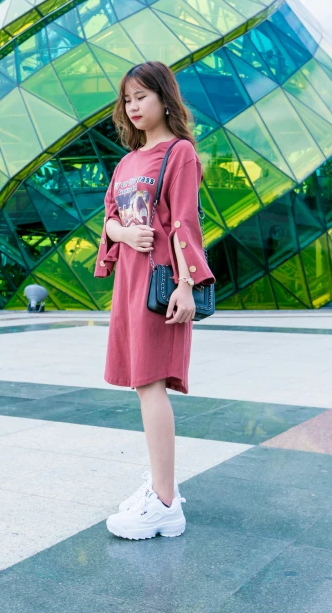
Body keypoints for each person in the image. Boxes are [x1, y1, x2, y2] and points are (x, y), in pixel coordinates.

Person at [94, 61, 216, 540]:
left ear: (165, 98)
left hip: (161, 285)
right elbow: (108, 219)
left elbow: (186, 223)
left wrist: (187, 287)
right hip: (129, 281)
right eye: (128, 99)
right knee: (142, 386)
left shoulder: (179, 153)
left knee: (151, 385)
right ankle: (161, 490)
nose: (133, 107)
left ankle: (165, 502)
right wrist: (126, 231)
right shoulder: (126, 162)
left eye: (141, 96)